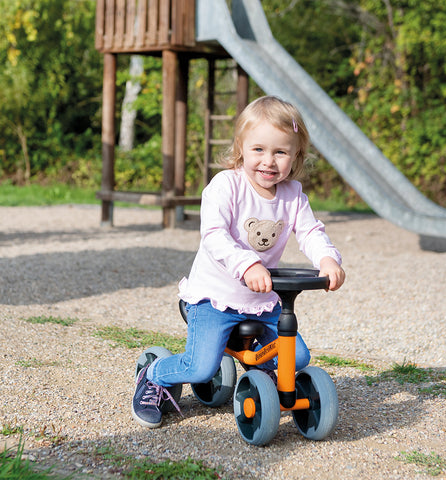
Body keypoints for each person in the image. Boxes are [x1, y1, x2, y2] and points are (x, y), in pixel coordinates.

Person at [132, 95, 345, 428]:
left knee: (297, 357)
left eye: (281, 152)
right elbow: (214, 235)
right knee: (200, 368)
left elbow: (310, 231)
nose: (269, 161)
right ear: (241, 148)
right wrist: (247, 264)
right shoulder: (226, 186)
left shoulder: (292, 195)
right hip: (213, 299)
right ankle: (155, 374)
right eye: (259, 149)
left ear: (295, 156)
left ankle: (263, 382)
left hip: (260, 302)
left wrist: (328, 259)